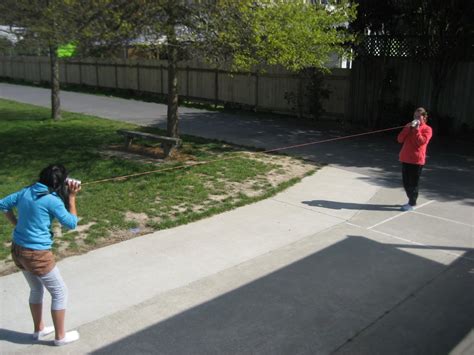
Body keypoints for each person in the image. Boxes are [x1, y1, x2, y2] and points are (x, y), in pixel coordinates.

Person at [0, 164, 81, 346]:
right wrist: (72, 198)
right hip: (37, 254)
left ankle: (39, 329)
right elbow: (71, 223)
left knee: (36, 289)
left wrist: (16, 223)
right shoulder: (52, 200)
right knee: (60, 292)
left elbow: (3, 204)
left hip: (18, 249)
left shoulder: (26, 191)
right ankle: (60, 337)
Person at [397, 107, 433, 211]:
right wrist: (407, 128)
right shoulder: (409, 126)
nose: (416, 118)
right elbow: (399, 139)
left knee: (413, 183)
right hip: (405, 158)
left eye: (418, 116)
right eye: (414, 116)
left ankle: (412, 203)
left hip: (416, 161)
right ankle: (411, 200)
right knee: (406, 183)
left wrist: (417, 130)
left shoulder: (427, 129)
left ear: (424, 117)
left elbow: (421, 142)